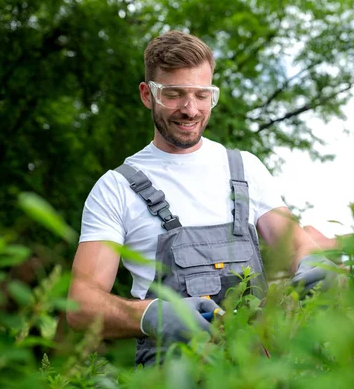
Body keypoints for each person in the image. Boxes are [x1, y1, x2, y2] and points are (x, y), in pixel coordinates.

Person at [66, 30, 338, 367]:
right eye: (174, 94)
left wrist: (315, 264)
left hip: (258, 373)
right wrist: (156, 315)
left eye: (201, 94)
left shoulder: (245, 169)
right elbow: (81, 305)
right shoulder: (115, 188)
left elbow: (297, 246)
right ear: (147, 95)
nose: (190, 109)